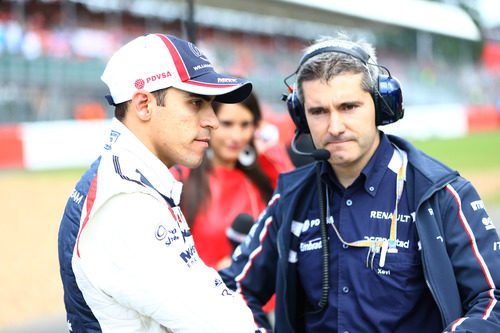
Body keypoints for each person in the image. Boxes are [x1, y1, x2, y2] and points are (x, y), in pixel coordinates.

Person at [220, 33, 500, 332]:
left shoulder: (441, 194)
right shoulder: (291, 198)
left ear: (381, 107)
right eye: (318, 111)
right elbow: (232, 288)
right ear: (301, 118)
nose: (335, 127)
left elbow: (493, 298)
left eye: (348, 107)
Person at [57, 33, 264, 333]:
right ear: (143, 105)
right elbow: (222, 324)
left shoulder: (131, 177)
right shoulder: (126, 202)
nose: (212, 121)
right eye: (196, 102)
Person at [171, 90, 294, 269]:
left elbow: (295, 205)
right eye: (227, 124)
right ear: (208, 122)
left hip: (258, 295)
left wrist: (271, 152)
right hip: (203, 292)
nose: (236, 136)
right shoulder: (181, 178)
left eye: (245, 125)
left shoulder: (262, 178)